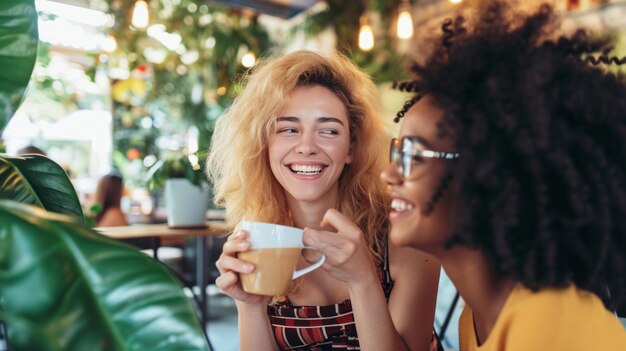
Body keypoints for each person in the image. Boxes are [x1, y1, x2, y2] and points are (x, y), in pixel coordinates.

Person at [382, 2, 626, 350]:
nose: (388, 173)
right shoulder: (479, 317)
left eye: (414, 156)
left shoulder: (549, 326)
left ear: (485, 174)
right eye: (397, 153)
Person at [207, 50, 441, 351]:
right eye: (289, 129)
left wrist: (362, 281)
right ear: (264, 144)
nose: (306, 147)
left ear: (351, 148)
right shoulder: (260, 238)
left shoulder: (405, 229)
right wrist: (249, 306)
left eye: (328, 130)